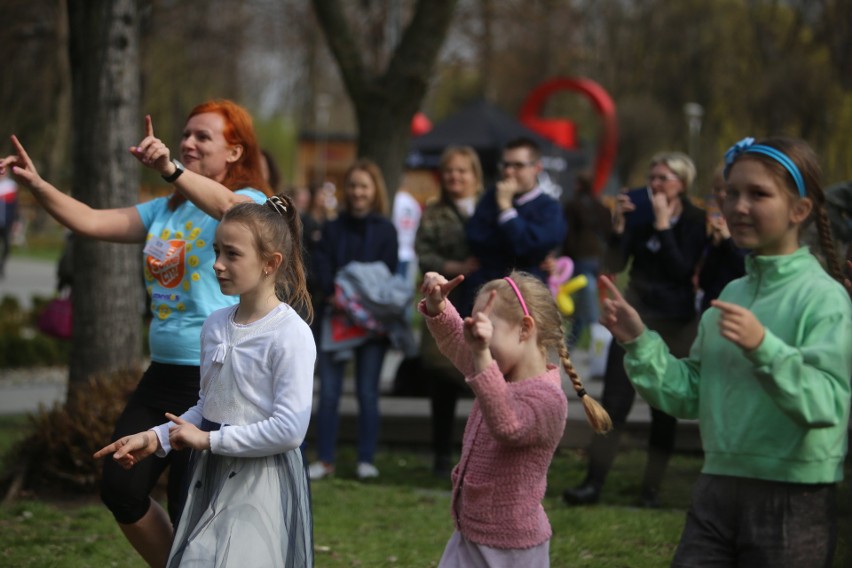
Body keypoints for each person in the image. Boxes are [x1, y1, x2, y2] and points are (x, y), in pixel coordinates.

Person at [0, 99, 270, 567]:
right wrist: (37, 185)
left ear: (234, 151)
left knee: (195, 506)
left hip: (216, 378)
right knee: (121, 487)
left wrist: (168, 167)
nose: (188, 142)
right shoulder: (165, 211)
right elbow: (90, 219)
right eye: (185, 134)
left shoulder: (250, 203)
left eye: (202, 137)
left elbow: (230, 207)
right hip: (162, 375)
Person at [599, 136, 852, 566]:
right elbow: (691, 392)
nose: (738, 206)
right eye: (731, 193)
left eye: (758, 194)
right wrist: (639, 340)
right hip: (716, 487)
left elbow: (828, 403)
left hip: (793, 496)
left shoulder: (824, 299)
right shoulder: (731, 293)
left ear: (800, 210)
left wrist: (764, 347)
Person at [95, 194, 315, 567]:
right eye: (216, 251)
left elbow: (290, 430)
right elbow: (206, 405)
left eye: (232, 254)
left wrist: (211, 440)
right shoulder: (215, 324)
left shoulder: (289, 334)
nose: (217, 265)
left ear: (270, 263)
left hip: (259, 486)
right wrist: (155, 437)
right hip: (211, 476)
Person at [419, 270, 611, 567]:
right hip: (470, 535)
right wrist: (438, 306)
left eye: (485, 331)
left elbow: (508, 424)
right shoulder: (496, 367)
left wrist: (482, 355)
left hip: (509, 551)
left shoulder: (548, 399)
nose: (475, 341)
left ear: (524, 329)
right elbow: (458, 340)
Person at [563, 151, 707, 508]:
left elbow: (682, 270)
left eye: (663, 179)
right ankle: (593, 483)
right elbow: (613, 264)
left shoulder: (695, 220)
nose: (654, 185)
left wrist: (663, 226)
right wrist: (618, 229)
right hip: (634, 319)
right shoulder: (639, 214)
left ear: (682, 184)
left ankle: (651, 490)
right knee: (614, 402)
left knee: (664, 409)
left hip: (676, 322)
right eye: (651, 177)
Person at [309, 159, 399, 480]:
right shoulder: (332, 229)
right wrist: (335, 292)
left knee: (367, 392)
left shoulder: (387, 230)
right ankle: (326, 459)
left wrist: (358, 295)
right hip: (336, 321)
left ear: (375, 191)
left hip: (372, 325)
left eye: (364, 186)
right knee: (329, 392)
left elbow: (385, 276)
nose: (357, 192)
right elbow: (321, 267)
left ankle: (366, 459)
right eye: (353, 186)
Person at [414, 145, 482, 476]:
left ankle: (478, 455)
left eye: (462, 171)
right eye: (450, 171)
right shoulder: (434, 212)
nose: (455, 177)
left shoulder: (490, 207)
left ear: (475, 175)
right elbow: (423, 252)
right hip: (445, 300)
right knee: (441, 377)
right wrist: (455, 266)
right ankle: (441, 454)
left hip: (484, 301)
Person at [464, 137, 567, 314]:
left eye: (518, 166)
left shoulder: (549, 207)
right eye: (505, 165)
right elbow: (475, 238)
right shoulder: (490, 199)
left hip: (526, 301)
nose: (509, 172)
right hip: (484, 295)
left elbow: (529, 245)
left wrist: (506, 210)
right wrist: (519, 240)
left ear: (537, 168)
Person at [561, 171, 612, 345]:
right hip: (598, 258)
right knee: (586, 297)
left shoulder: (573, 206)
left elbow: (567, 236)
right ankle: (577, 341)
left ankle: (593, 331)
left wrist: (565, 256)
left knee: (586, 298)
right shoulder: (601, 207)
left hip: (580, 257)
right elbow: (608, 233)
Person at [697, 164, 747, 312]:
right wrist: (716, 244)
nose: (720, 194)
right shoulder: (713, 223)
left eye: (727, 190)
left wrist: (727, 241)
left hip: (738, 308)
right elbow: (704, 279)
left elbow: (746, 269)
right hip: (711, 306)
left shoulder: (748, 225)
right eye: (717, 189)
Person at [0, 170, 19, 278]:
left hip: (6, 222)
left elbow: (15, 206)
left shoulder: (11, 186)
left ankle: (1, 266)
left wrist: (16, 220)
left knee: (7, 247)